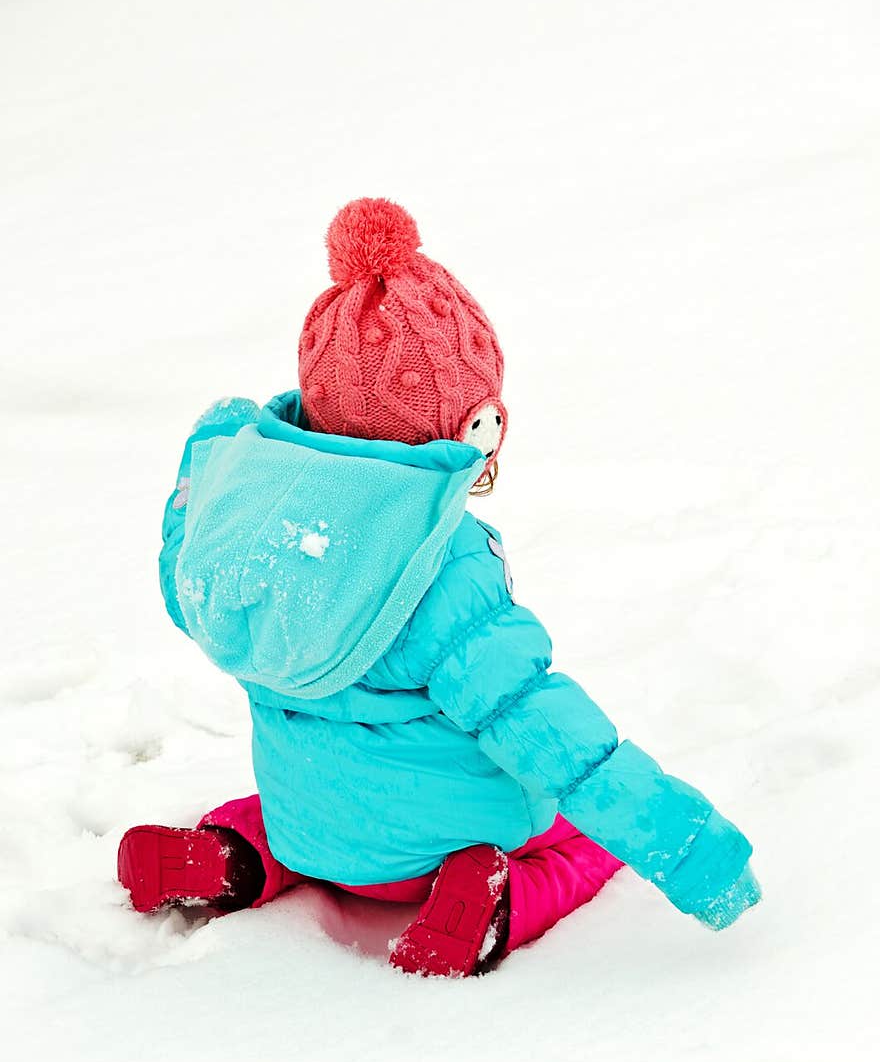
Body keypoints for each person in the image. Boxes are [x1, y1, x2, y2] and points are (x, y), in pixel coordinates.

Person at [118, 198, 760, 976]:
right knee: (580, 829)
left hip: (311, 825)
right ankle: (491, 904)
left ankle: (232, 856)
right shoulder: (441, 564)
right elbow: (552, 734)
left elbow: (186, 550)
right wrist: (696, 852)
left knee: (312, 811)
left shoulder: (258, 527)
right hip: (439, 846)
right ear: (463, 430)